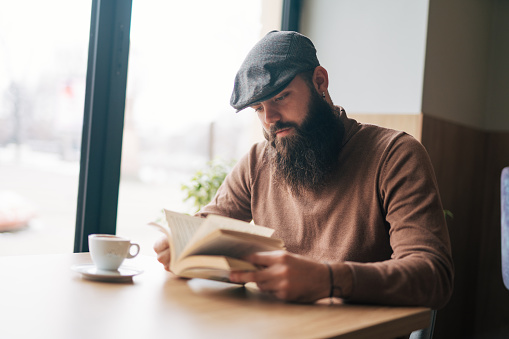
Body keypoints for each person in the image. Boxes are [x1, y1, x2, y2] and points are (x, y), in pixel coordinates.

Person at [154, 30, 454, 309]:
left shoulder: (394, 155)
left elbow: (433, 275)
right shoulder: (259, 160)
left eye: (280, 97)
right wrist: (181, 245)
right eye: (258, 108)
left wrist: (329, 280)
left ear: (319, 82)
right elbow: (208, 226)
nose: (269, 118)